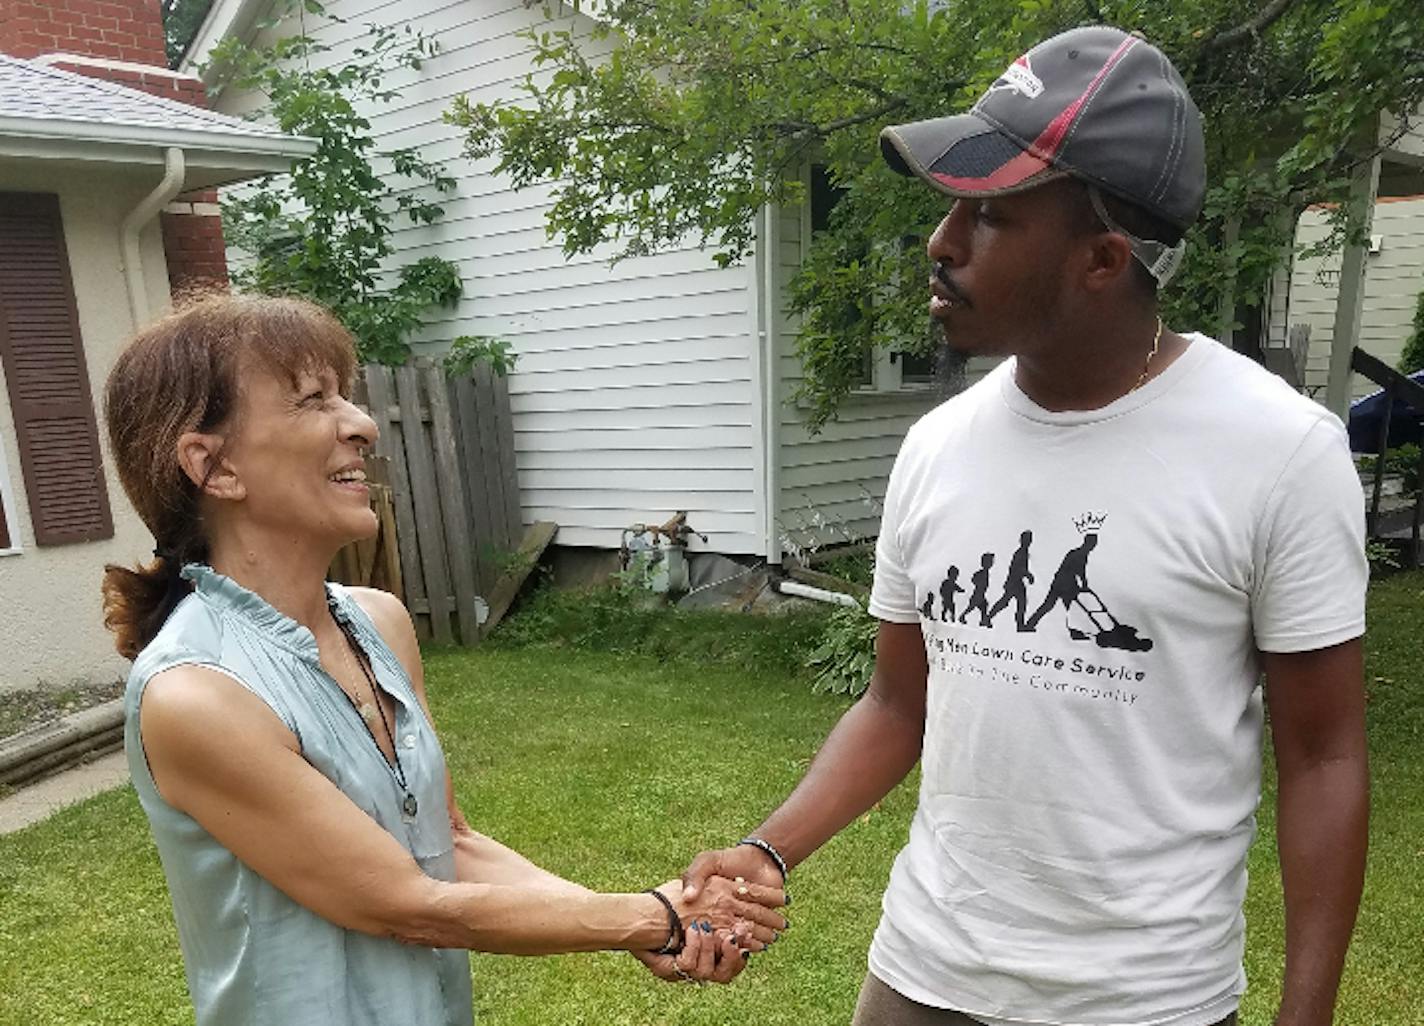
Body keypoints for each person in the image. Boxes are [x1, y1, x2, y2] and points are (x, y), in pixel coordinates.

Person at [682, 25, 1368, 1026]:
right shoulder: (936, 446)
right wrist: (767, 847)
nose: (940, 242)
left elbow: (1324, 759)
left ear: (1100, 258)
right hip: (922, 975)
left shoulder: (1275, 452)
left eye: (990, 217)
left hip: (1143, 1001)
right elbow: (894, 706)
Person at [100, 294, 787, 1026]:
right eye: (311, 401)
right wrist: (653, 919)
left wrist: (649, 914)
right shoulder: (195, 695)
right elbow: (405, 905)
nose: (361, 424)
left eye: (347, 396)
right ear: (215, 466)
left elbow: (444, 846)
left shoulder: (379, 622)